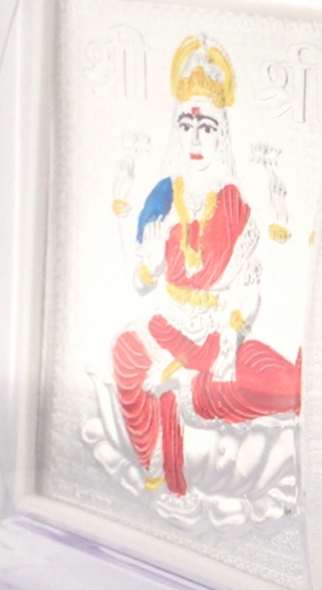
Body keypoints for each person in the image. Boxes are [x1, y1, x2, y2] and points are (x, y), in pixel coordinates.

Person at [111, 34, 301, 501]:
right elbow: (139, 281)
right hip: (168, 326)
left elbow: (252, 281)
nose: (195, 139)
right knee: (125, 354)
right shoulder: (162, 196)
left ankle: (191, 388)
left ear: (222, 133)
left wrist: (235, 325)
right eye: (186, 124)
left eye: (207, 127)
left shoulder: (234, 204)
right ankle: (157, 460)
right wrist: (151, 267)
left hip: (217, 335)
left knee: (278, 385)